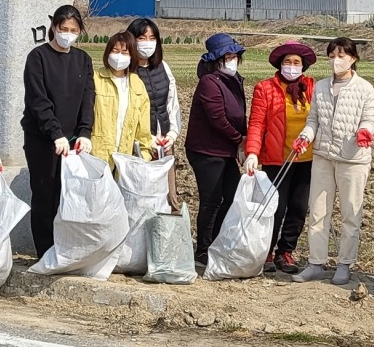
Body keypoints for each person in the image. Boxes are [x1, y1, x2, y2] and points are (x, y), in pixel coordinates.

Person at [292, 37, 374, 286]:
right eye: (332, 55)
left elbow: (370, 118)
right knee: (318, 211)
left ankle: (344, 264)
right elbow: (313, 120)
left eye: (342, 55)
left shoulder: (364, 88)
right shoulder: (320, 87)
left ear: (353, 58)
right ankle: (315, 263)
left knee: (351, 212)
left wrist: (365, 132)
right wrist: (305, 137)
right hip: (323, 156)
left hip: (353, 159)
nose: (336, 60)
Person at [21, 5, 95, 258]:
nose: (68, 34)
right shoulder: (38, 57)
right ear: (54, 27)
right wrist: (55, 133)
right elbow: (38, 99)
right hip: (43, 139)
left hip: (73, 140)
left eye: (74, 30)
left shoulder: (82, 59)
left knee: (70, 195)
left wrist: (84, 132)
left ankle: (66, 248)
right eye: (64, 29)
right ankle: (45, 251)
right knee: (45, 193)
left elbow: (88, 97)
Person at [244, 41, 317, 274]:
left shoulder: (312, 88)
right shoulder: (265, 88)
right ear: (280, 64)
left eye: (297, 63)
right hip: (277, 158)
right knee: (275, 207)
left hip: (306, 159)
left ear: (303, 67)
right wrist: (252, 152)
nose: (292, 67)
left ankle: (286, 251)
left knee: (298, 207)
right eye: (288, 62)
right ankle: (265, 250)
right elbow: (256, 122)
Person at [185, 33, 247, 266]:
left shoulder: (235, 80)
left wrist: (244, 138)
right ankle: (203, 249)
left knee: (231, 196)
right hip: (207, 150)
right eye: (226, 56)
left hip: (226, 150)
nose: (231, 60)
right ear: (216, 59)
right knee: (211, 200)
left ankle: (218, 242)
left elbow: (240, 114)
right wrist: (239, 139)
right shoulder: (209, 82)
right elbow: (217, 118)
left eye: (234, 56)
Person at [126, 18, 182, 210]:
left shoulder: (163, 68)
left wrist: (172, 135)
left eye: (152, 38)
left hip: (165, 143)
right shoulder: (126, 72)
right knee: (142, 198)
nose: (147, 43)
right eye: (142, 38)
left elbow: (172, 103)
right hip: (139, 146)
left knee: (167, 196)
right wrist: (147, 139)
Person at [91, 31, 153, 166]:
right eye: (115, 51)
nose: (119, 56)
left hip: (125, 156)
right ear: (108, 53)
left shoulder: (137, 84)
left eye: (125, 52)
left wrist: (144, 153)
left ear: (132, 56)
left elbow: (143, 126)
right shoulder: (95, 79)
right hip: (97, 156)